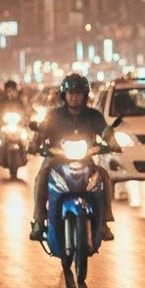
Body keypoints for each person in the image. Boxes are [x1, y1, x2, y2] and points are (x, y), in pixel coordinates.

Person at [29, 73, 119, 242]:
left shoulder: (94, 115)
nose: (74, 97)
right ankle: (39, 220)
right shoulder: (53, 115)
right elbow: (41, 132)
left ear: (84, 95)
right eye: (71, 93)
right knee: (42, 176)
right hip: (56, 157)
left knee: (103, 177)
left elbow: (105, 131)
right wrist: (34, 144)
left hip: (86, 158)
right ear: (65, 95)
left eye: (78, 94)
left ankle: (104, 223)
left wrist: (113, 142)